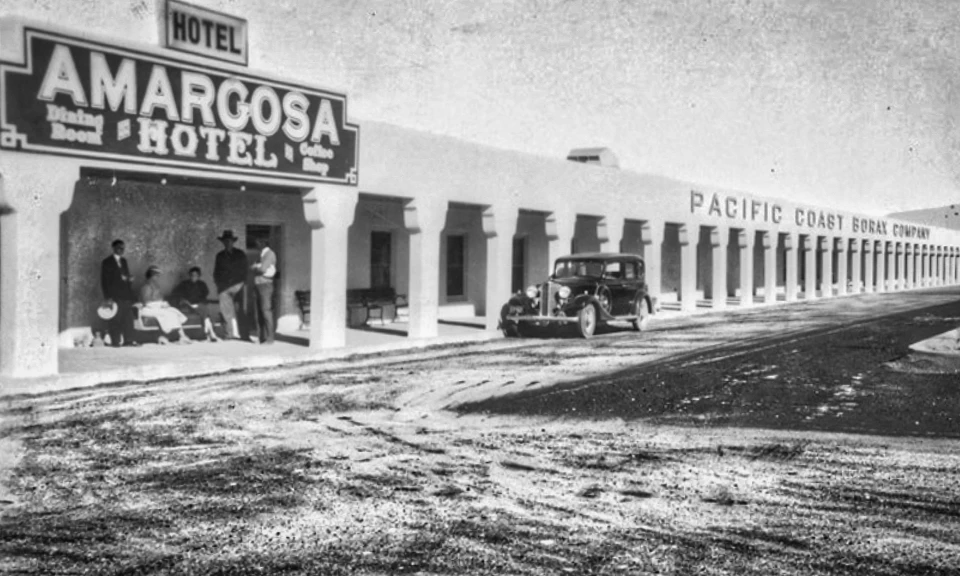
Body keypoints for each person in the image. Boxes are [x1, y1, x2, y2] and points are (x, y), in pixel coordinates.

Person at [100, 239, 140, 347]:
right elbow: (104, 281)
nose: (121, 250)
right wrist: (108, 297)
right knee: (115, 318)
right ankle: (115, 341)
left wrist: (129, 280)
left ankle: (128, 341)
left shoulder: (124, 261)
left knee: (128, 318)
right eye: (119, 248)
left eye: (123, 248)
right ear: (113, 248)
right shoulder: (107, 262)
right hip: (114, 296)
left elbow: (125, 277)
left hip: (125, 295)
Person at [139, 266, 192, 345]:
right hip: (147, 309)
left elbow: (159, 298)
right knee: (169, 314)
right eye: (156, 275)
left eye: (158, 275)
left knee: (173, 311)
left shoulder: (156, 285)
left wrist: (163, 303)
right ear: (151, 275)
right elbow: (146, 302)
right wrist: (160, 304)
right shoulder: (146, 286)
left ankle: (169, 336)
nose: (157, 277)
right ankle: (180, 336)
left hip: (156, 308)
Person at [213, 230, 248, 340]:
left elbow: (245, 270)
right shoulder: (219, 256)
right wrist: (219, 285)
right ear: (223, 242)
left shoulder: (240, 254)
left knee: (241, 310)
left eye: (229, 241)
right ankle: (228, 335)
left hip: (238, 286)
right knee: (225, 312)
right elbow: (216, 272)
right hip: (224, 288)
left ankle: (245, 335)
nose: (227, 243)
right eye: (225, 241)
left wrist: (242, 284)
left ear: (233, 242)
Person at [172, 266, 220, 342]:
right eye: (192, 275)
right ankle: (211, 333)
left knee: (205, 311)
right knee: (205, 313)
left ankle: (210, 333)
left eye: (196, 275)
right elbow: (176, 293)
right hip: (187, 305)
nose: (194, 277)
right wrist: (183, 300)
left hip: (198, 305)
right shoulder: (184, 284)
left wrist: (200, 302)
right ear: (189, 275)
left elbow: (205, 295)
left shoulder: (202, 284)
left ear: (199, 276)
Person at [250, 237, 277, 344]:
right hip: (258, 284)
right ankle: (261, 337)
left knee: (266, 311)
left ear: (263, 243)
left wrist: (256, 267)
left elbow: (262, 269)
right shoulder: (261, 254)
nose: (256, 244)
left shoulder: (269, 254)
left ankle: (270, 338)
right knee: (258, 312)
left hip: (265, 285)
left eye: (258, 242)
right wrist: (257, 266)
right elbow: (253, 267)